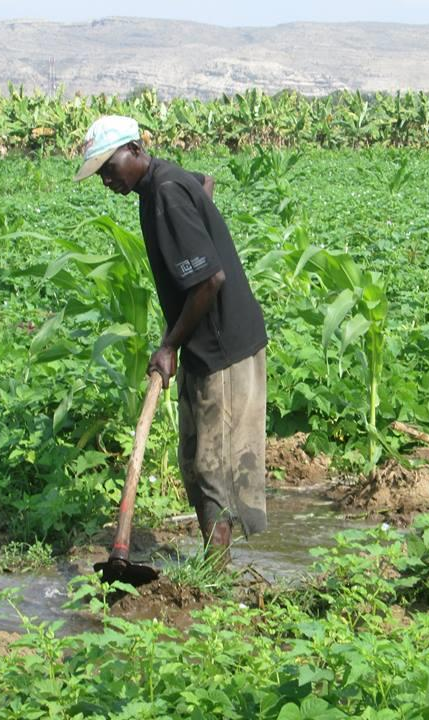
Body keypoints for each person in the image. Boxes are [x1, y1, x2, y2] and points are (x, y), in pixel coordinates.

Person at [74, 115, 268, 565]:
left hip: (222, 348)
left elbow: (209, 280)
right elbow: (204, 181)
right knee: (192, 459)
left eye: (108, 167)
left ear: (136, 151)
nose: (106, 180)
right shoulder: (160, 183)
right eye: (100, 173)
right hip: (204, 343)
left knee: (212, 466)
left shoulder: (163, 192)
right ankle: (213, 561)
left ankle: (216, 577)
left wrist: (169, 344)